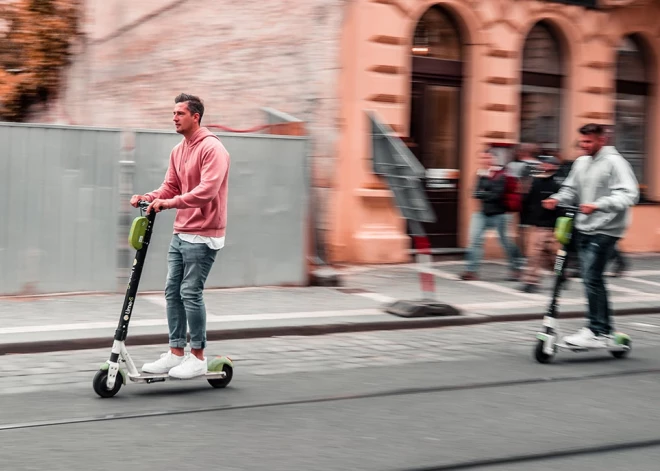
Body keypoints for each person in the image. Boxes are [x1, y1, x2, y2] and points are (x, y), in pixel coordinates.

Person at [130, 93, 231, 379]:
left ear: (195, 116)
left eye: (179, 113)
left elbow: (206, 191)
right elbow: (170, 186)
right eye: (173, 113)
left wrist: (169, 204)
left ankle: (197, 355)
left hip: (204, 233)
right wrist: (149, 197)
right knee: (171, 292)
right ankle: (176, 353)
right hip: (182, 231)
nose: (174, 117)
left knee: (190, 291)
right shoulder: (179, 150)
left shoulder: (213, 149)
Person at [542, 123, 638, 348]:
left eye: (589, 141)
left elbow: (629, 194)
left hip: (606, 229)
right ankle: (603, 330)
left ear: (602, 140)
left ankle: (596, 330)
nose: (584, 145)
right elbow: (571, 189)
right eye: (582, 141)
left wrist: (598, 205)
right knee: (593, 279)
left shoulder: (615, 163)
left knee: (591, 277)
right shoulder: (581, 162)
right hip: (584, 226)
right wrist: (557, 199)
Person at [460, 147, 522, 281]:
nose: (484, 160)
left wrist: (484, 192)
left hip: (501, 214)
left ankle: (516, 268)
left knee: (506, 242)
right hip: (483, 213)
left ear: (493, 158)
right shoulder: (480, 173)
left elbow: (497, 194)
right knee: (475, 240)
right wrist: (484, 192)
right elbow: (475, 193)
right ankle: (471, 271)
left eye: (487, 157)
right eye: (482, 158)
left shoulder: (501, 174)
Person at [519, 155, 563, 293]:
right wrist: (524, 220)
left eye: (547, 164)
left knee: (544, 254)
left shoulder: (558, 183)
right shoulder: (536, 181)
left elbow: (563, 204)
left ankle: (535, 280)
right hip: (537, 224)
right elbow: (527, 201)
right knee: (541, 254)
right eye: (543, 163)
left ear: (554, 166)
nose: (544, 165)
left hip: (552, 225)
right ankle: (536, 279)